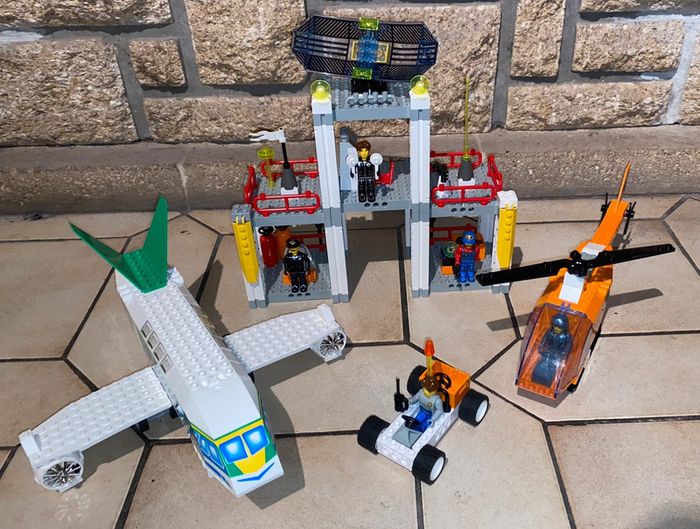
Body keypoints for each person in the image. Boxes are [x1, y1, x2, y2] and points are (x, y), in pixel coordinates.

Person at [532, 312, 573, 387]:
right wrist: (541, 347)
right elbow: (544, 339)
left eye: (559, 327)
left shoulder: (566, 336)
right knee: (541, 363)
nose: (556, 328)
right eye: (555, 326)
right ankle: (536, 376)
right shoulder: (550, 332)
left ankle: (547, 379)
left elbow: (568, 347)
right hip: (548, 351)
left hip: (557, 354)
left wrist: (563, 355)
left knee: (552, 366)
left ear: (564, 327)